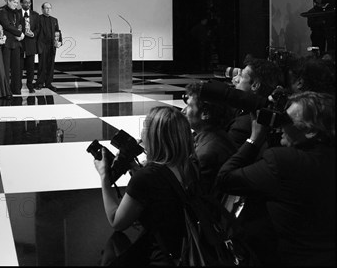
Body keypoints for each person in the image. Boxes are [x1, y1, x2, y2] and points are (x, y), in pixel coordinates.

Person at [216, 91, 335, 266]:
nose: (278, 126)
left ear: (310, 131)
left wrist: (254, 140)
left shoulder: (284, 162)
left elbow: (225, 179)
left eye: (286, 121)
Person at [94, 106, 198, 265]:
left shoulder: (147, 177)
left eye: (144, 129)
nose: (140, 135)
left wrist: (104, 177)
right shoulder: (190, 165)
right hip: (186, 250)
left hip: (161, 258)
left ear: (153, 137)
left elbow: (117, 222)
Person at [182, 82, 235, 196]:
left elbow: (193, 197)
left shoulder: (206, 155)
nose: (183, 111)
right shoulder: (218, 137)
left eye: (189, 106)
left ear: (205, 114)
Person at [0, 0, 24, 95]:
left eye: (17, 2)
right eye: (14, 2)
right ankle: (5, 90)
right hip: (6, 42)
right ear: (8, 1)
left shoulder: (17, 12)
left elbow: (19, 25)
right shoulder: (2, 11)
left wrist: (20, 34)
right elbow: (6, 25)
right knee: (5, 67)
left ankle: (16, 89)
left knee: (16, 67)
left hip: (16, 42)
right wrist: (19, 33)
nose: (16, 4)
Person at [36, 2, 61, 92]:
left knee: (51, 65)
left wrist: (59, 42)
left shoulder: (54, 20)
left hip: (52, 45)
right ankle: (39, 83)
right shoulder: (38, 18)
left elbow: (58, 31)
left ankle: (48, 83)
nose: (48, 10)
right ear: (42, 9)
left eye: (49, 8)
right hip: (42, 45)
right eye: (46, 8)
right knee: (42, 65)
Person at [19, 0, 40, 93]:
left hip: (31, 43)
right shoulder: (16, 13)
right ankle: (17, 85)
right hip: (19, 42)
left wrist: (33, 34)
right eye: (25, 2)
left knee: (30, 67)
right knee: (18, 66)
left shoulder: (35, 14)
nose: (28, 4)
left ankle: (30, 85)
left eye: (29, 2)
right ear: (21, 3)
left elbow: (38, 28)